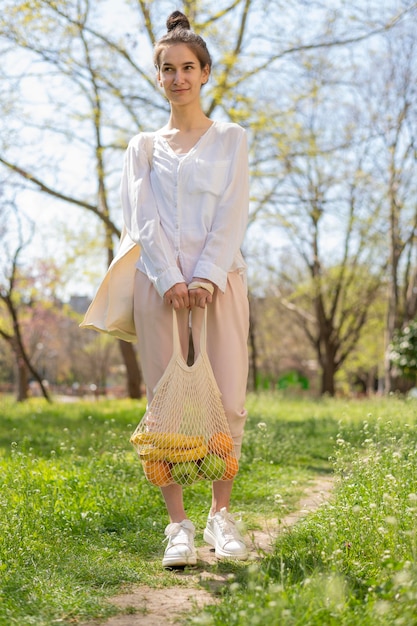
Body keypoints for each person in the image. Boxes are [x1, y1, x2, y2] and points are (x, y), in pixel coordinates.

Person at [121, 10, 250, 568]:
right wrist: (172, 277)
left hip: (221, 285)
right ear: (158, 77)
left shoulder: (231, 139)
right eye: (167, 69)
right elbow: (140, 218)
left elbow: (233, 210)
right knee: (166, 404)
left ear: (204, 74)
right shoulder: (142, 147)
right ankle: (179, 527)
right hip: (159, 288)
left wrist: (205, 274)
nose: (178, 78)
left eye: (188, 68)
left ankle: (222, 518)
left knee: (229, 402)